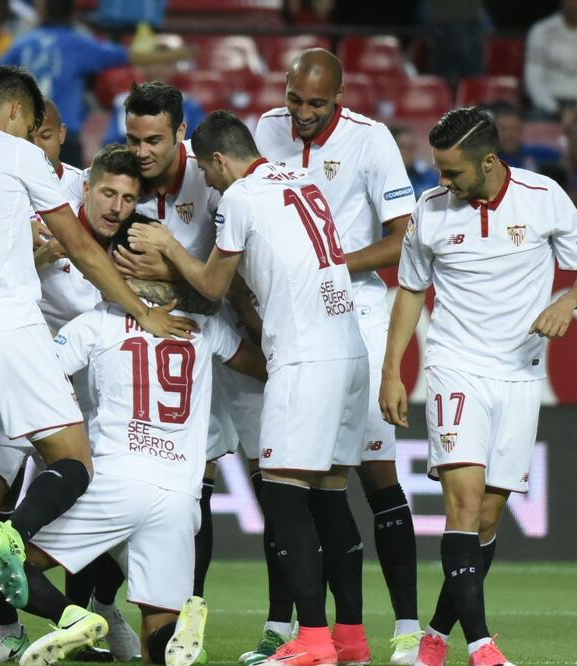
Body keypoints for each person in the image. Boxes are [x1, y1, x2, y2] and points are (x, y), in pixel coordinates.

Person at [0, 64, 195, 664]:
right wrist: (141, 310)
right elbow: (83, 246)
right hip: (7, 324)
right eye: (32, 123)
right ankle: (17, 539)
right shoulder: (16, 155)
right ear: (15, 112)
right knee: (74, 460)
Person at [129, 110, 369, 666]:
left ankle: (311, 640)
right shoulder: (303, 180)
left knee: (284, 499)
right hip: (349, 348)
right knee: (332, 497)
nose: (210, 188)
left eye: (210, 176)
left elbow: (213, 284)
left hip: (304, 357)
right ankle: (351, 637)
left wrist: (168, 246)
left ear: (218, 160)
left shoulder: (240, 197)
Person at [0, 217, 268, 666]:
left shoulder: (97, 324)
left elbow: (35, 376)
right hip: (179, 496)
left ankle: (72, 618)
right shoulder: (201, 329)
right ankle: (176, 635)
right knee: (159, 632)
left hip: (113, 482)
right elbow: (261, 365)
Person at [379, 107, 577, 666]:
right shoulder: (429, 212)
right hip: (456, 366)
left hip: (520, 373)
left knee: (486, 518)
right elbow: (410, 291)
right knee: (463, 502)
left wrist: (567, 301)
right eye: (437, 169)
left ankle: (436, 636)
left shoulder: (543, 194)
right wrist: (392, 371)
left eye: (452, 172)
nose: (441, 182)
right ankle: (481, 645)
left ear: (488, 162)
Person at [253, 48, 421, 666]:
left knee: (378, 473)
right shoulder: (264, 131)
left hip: (360, 309)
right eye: (295, 100)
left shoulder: (371, 141)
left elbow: (402, 241)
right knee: (310, 475)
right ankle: (324, 634)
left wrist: (329, 261)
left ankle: (407, 625)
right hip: (291, 319)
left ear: (339, 97)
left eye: (316, 105)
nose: (301, 114)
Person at [0, 144, 146, 664]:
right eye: (108, 193)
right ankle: (2, 629)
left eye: (127, 197)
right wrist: (36, 257)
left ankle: (95, 609)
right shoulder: (46, 231)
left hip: (95, 400)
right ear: (87, 189)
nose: (116, 206)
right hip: (29, 379)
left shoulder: (134, 248)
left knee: (99, 507)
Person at [116, 80, 240, 602]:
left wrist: (166, 268)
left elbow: (221, 290)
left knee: (197, 488)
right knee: (119, 485)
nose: (141, 153)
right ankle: (101, 610)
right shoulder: (118, 180)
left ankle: (192, 610)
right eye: (134, 139)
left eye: (154, 141)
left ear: (181, 134)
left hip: (201, 347)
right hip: (131, 349)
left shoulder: (212, 181)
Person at [0, 0, 188, 165]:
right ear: (71, 13)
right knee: (65, 199)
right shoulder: (81, 44)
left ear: (43, 11)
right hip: (62, 136)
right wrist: (180, 52)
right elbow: (131, 55)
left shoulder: (23, 44)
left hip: (24, 135)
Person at [493, 103, 562, 172]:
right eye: (503, 129)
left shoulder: (536, 153)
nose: (509, 134)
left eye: (514, 128)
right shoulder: (487, 160)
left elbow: (564, 159)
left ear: (521, 130)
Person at [391, 125, 440, 199]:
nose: (409, 152)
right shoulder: (382, 180)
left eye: (411, 147)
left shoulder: (429, 177)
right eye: (403, 147)